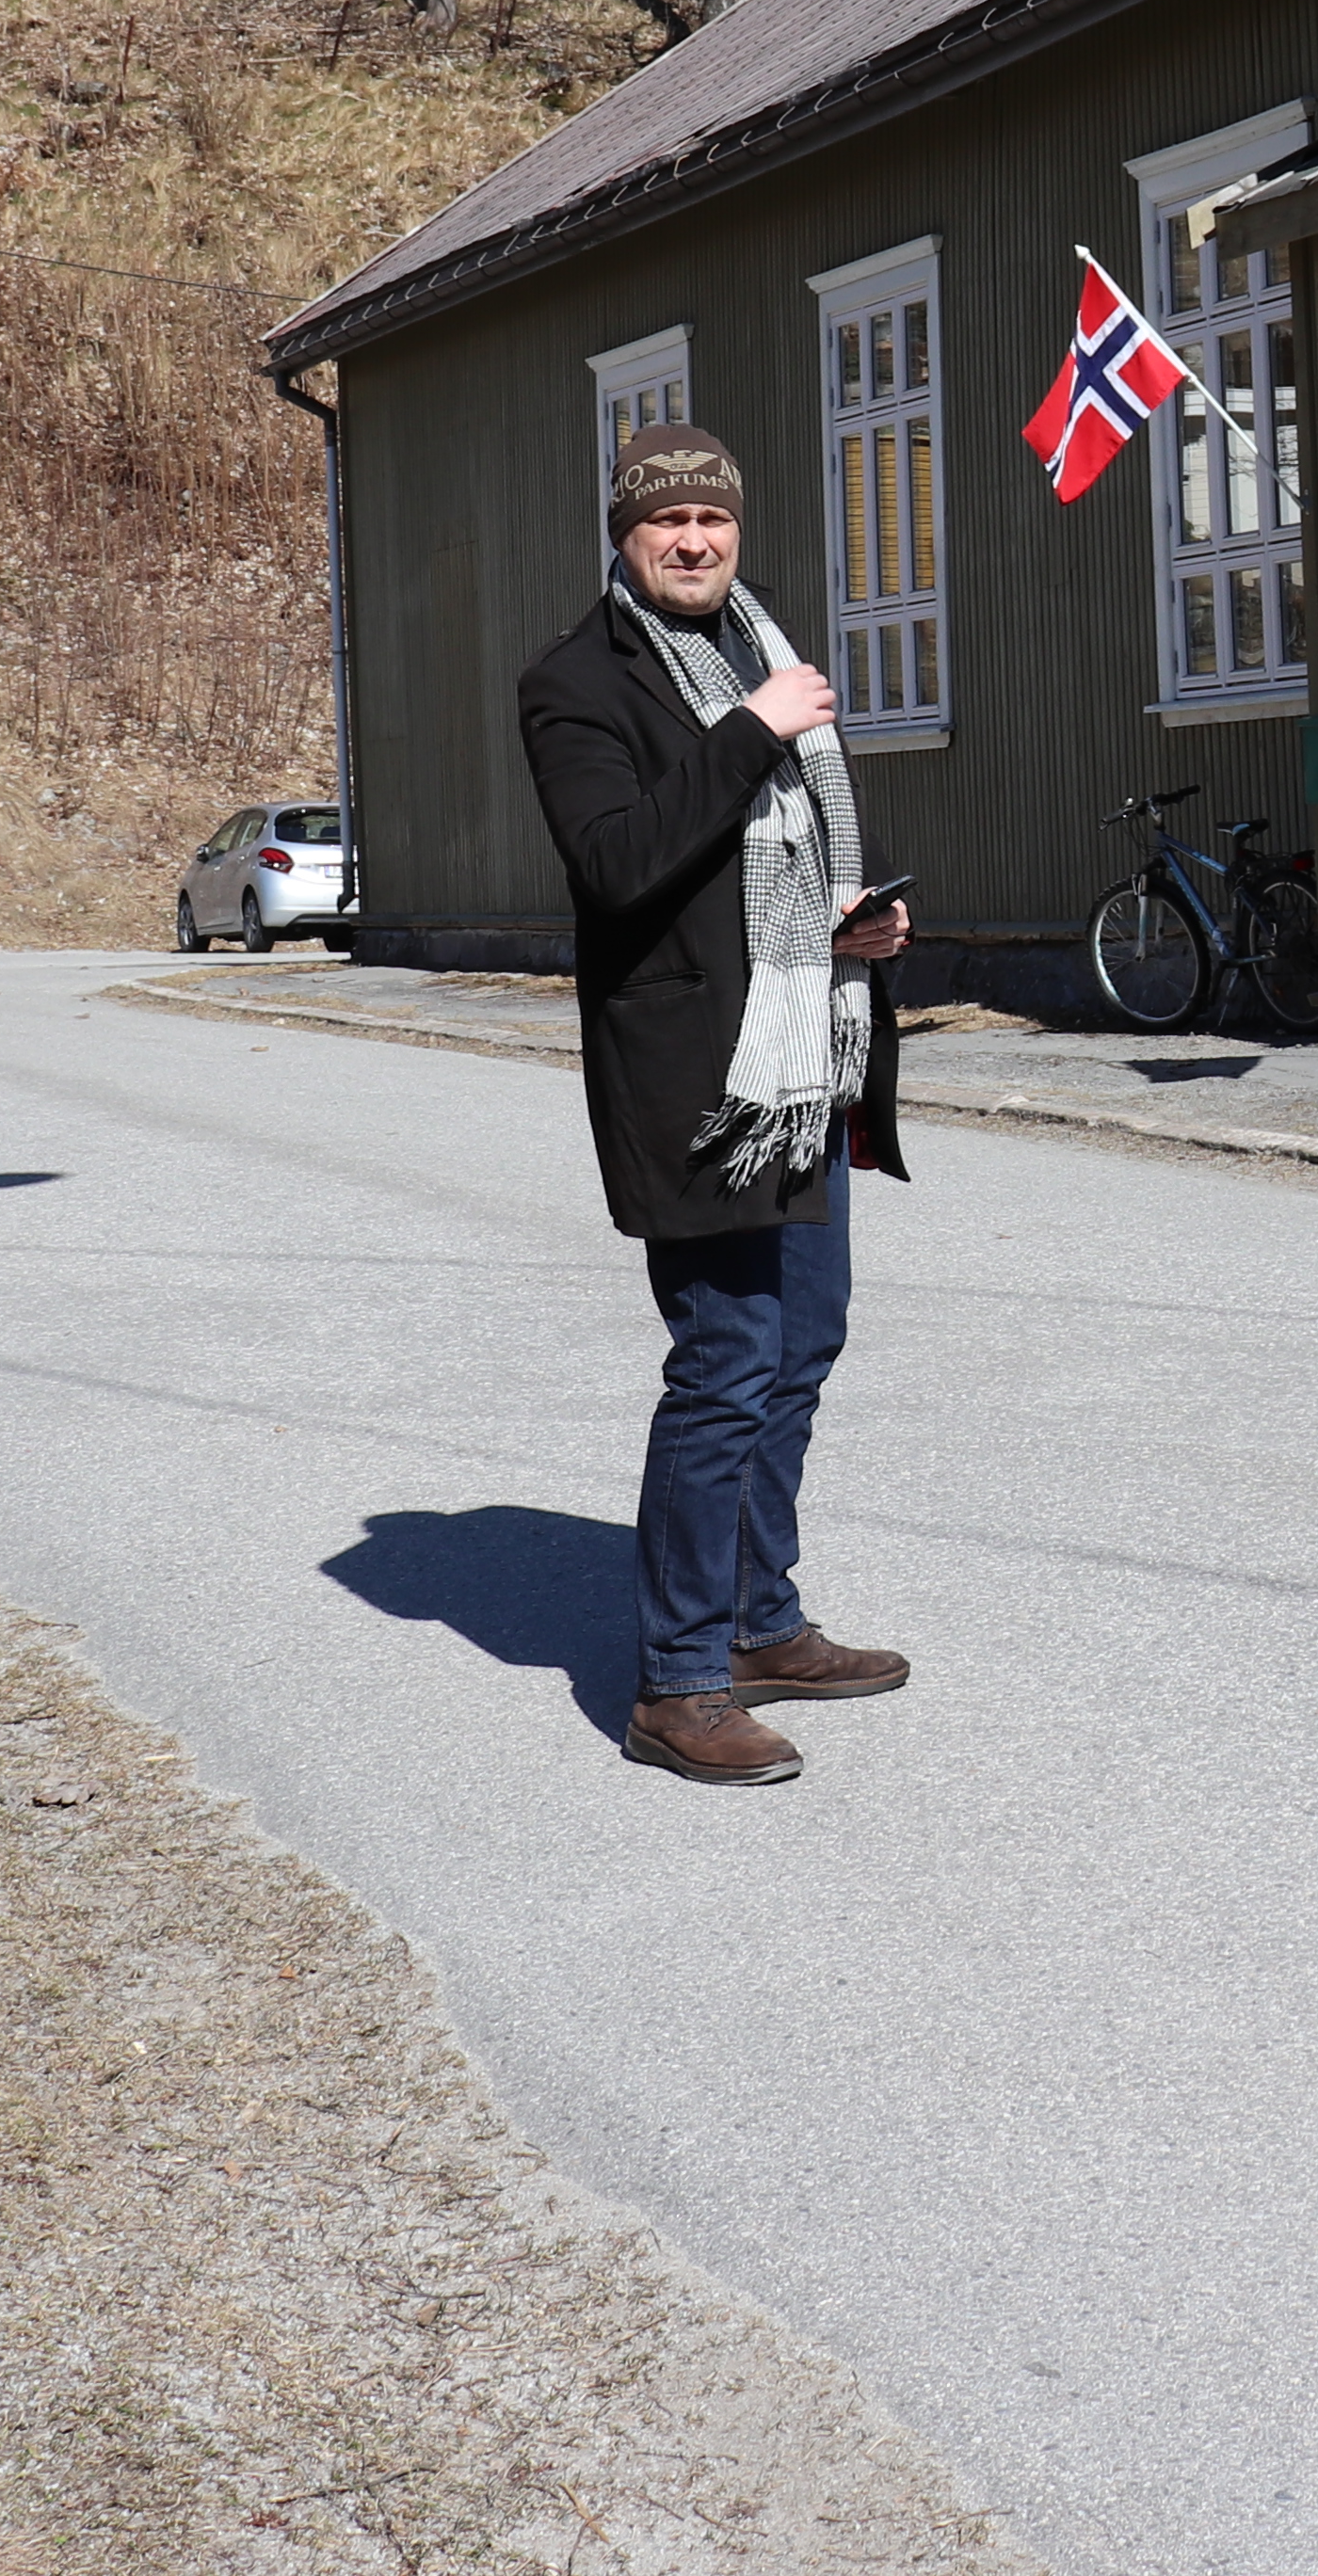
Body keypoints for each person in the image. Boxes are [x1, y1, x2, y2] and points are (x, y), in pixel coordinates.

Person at [517, 424, 922, 1788]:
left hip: (801, 1057)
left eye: (713, 518)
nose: (694, 539)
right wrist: (752, 733)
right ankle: (678, 1681)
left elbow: (777, 867)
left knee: (805, 1342)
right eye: (665, 519)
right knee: (728, 1362)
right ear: (623, 534)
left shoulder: (762, 647)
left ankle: (760, 1622)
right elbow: (622, 867)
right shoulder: (575, 685)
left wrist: (848, 928)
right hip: (698, 1084)